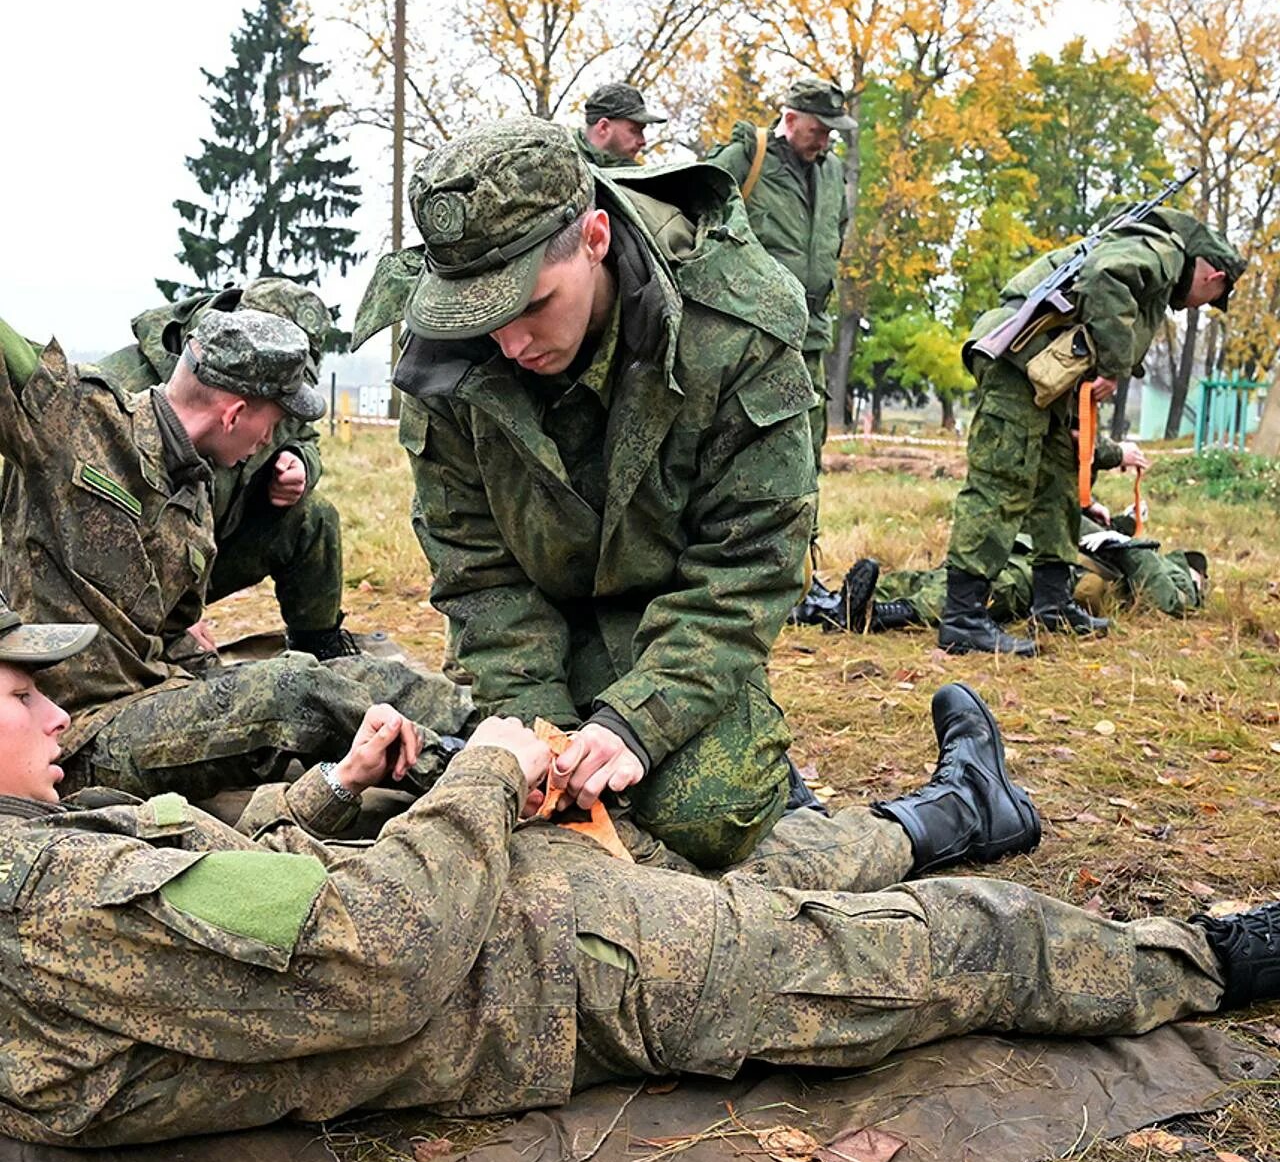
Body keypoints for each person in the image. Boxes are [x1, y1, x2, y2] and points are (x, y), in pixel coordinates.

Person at [0, 603, 1275, 1150]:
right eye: (21, 692)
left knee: (758, 855)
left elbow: (225, 874)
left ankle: (952, 806)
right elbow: (374, 957)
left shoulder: (39, 837)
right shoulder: (32, 898)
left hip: (516, 915)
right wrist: (484, 775)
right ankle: (1214, 957)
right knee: (940, 942)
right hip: (554, 977)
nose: (60, 711)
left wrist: (334, 791)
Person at [376, 117, 817, 870]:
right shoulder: (444, 357)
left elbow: (748, 569)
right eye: (483, 320)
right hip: (542, 615)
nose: (509, 344)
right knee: (541, 814)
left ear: (595, 238)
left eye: (530, 306)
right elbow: (481, 577)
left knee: (709, 816)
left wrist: (637, 722)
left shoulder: (736, 328)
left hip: (678, 612)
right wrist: (541, 737)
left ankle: (808, 790)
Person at [0, 311, 473, 803]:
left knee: (346, 674)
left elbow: (171, 634)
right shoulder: (76, 420)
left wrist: (221, 679)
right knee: (291, 693)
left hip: (153, 701)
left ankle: (498, 725)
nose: (268, 441)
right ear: (234, 414)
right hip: (72, 735)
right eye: (271, 422)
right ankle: (468, 771)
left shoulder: (195, 496)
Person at [940, 207, 1245, 656]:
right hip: (1020, 364)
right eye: (1213, 296)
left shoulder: (1154, 256)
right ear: (1214, 275)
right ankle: (962, 619)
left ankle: (1052, 602)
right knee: (1002, 480)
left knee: (1058, 482)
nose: (1199, 305)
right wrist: (1112, 364)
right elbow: (1105, 276)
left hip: (1047, 372)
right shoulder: (1162, 251)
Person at [95, 279, 356, 660]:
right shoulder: (120, 391)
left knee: (314, 517)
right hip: (117, 580)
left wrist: (299, 463)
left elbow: (304, 437)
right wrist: (167, 611)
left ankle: (318, 648)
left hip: (208, 551)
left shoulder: (273, 384)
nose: (269, 435)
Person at [707, 78, 853, 478]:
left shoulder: (832, 171)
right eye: (817, 130)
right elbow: (692, 217)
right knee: (753, 440)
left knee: (809, 437)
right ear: (789, 118)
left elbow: (834, 232)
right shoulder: (745, 159)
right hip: (754, 332)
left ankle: (807, 535)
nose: (824, 140)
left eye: (830, 132)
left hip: (811, 330)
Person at [822, 513, 1207, 634]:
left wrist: (1124, 546)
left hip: (1060, 576)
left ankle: (887, 614)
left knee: (999, 588)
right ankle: (838, 605)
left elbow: (1167, 602)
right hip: (1039, 551)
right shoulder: (1151, 552)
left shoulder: (1172, 572)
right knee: (949, 575)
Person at [575, 81, 668, 167]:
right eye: (634, 131)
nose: (643, 141)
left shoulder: (633, 179)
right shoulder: (566, 164)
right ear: (604, 128)